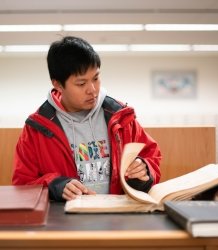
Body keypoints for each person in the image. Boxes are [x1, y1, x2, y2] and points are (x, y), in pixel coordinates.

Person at [12, 36, 162, 201]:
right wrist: (56, 185)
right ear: (58, 85)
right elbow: (23, 184)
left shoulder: (120, 117)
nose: (92, 90)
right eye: (81, 84)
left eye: (96, 78)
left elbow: (151, 156)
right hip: (66, 221)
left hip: (118, 219)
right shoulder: (37, 128)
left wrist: (144, 169)